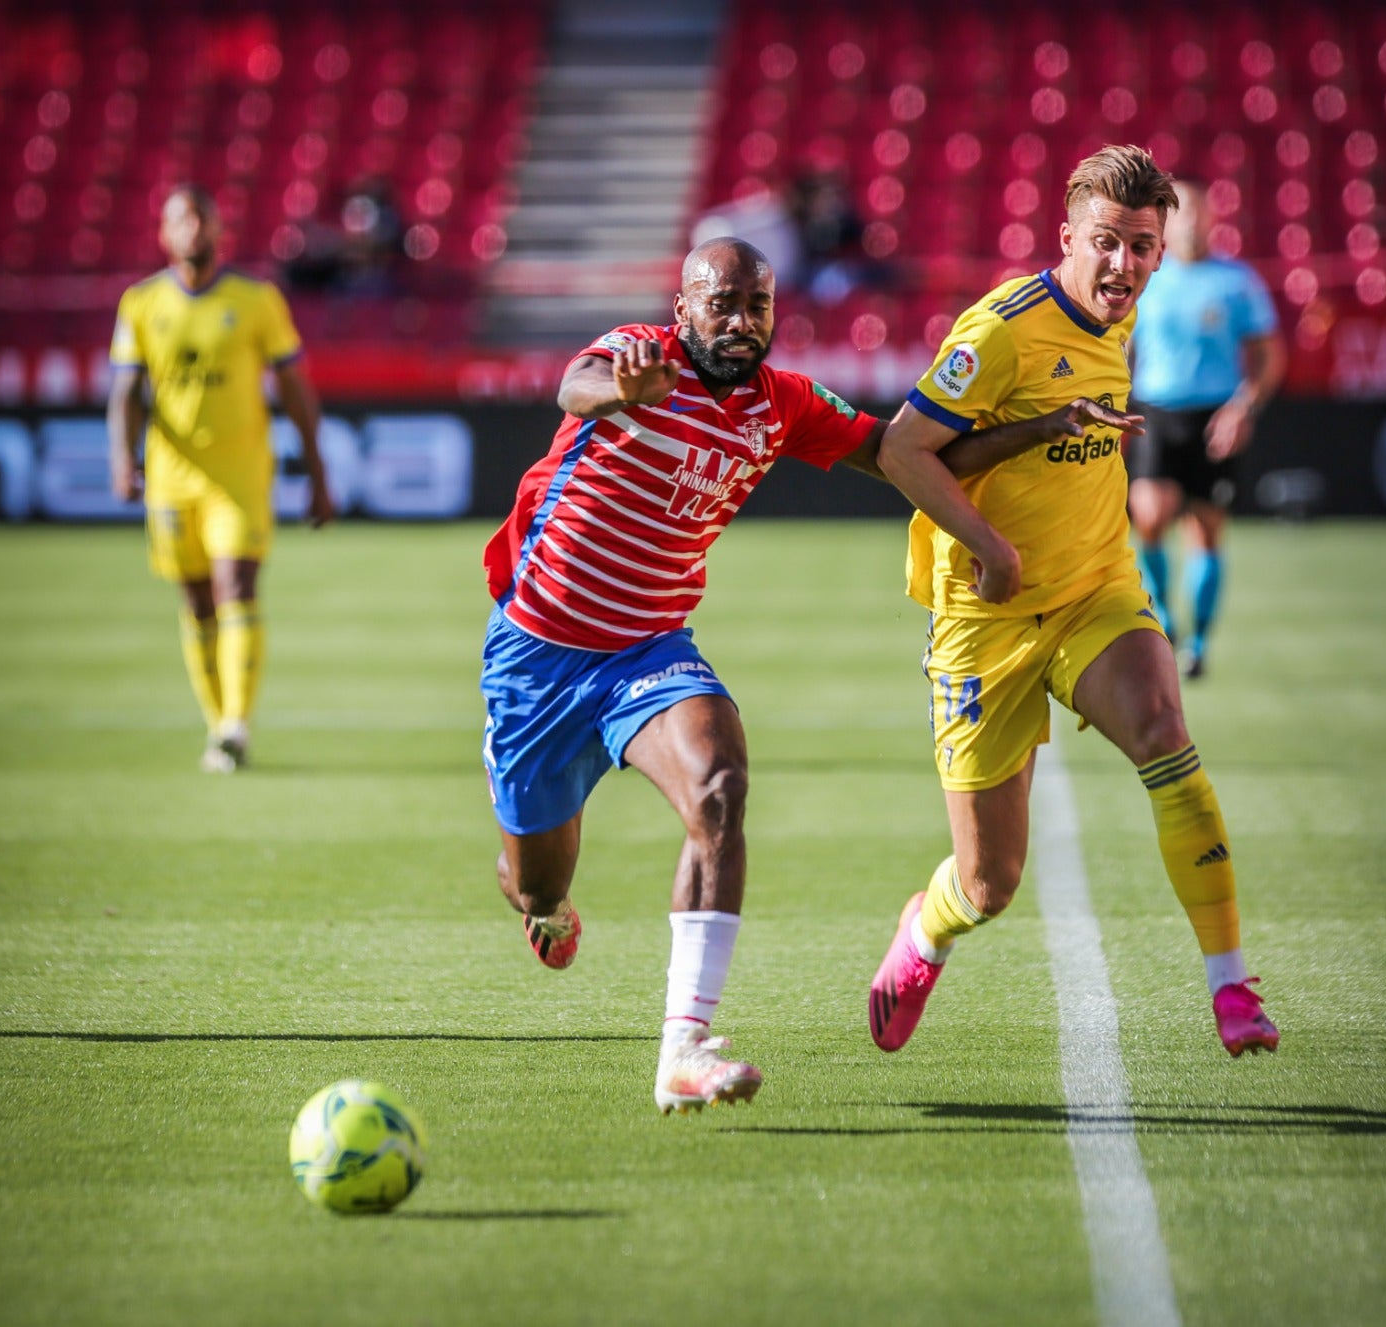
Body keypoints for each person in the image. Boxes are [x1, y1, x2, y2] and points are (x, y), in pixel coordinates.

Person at [481, 236, 1140, 1114]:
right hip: (538, 652)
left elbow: (908, 455)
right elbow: (578, 388)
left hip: (648, 648)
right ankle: (544, 905)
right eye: (722, 303)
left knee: (720, 788)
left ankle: (684, 1045)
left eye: (758, 306)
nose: (742, 322)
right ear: (684, 310)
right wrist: (626, 390)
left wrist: (1042, 428)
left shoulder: (782, 405)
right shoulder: (633, 353)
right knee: (540, 880)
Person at [869, 145, 1280, 1062]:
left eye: (1143, 246)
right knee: (988, 882)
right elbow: (902, 450)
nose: (1123, 265)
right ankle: (924, 935)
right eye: (1106, 243)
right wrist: (993, 547)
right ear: (1066, 239)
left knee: (1167, 732)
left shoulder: (1123, 320)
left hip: (1096, 589)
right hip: (986, 617)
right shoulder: (1003, 329)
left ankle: (1232, 984)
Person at [108, 184, 333, 772]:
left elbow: (294, 388)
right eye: (181, 219)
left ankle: (236, 724)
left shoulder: (256, 300)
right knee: (196, 601)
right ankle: (218, 726)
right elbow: (127, 391)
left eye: (201, 217)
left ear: (218, 228)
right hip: (171, 478)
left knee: (236, 586)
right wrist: (120, 458)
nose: (193, 228)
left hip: (238, 476)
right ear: (163, 234)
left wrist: (317, 471)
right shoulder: (140, 304)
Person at [1128, 178, 1286, 679]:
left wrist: (1243, 408)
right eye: (1181, 213)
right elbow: (1124, 350)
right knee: (1148, 515)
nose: (1191, 222)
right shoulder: (1146, 280)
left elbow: (1268, 357)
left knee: (1206, 529)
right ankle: (1167, 618)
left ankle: (1198, 643)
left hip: (1216, 415)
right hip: (1157, 411)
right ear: (1165, 223)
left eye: (1199, 213)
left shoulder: (1236, 281)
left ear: (1213, 219)